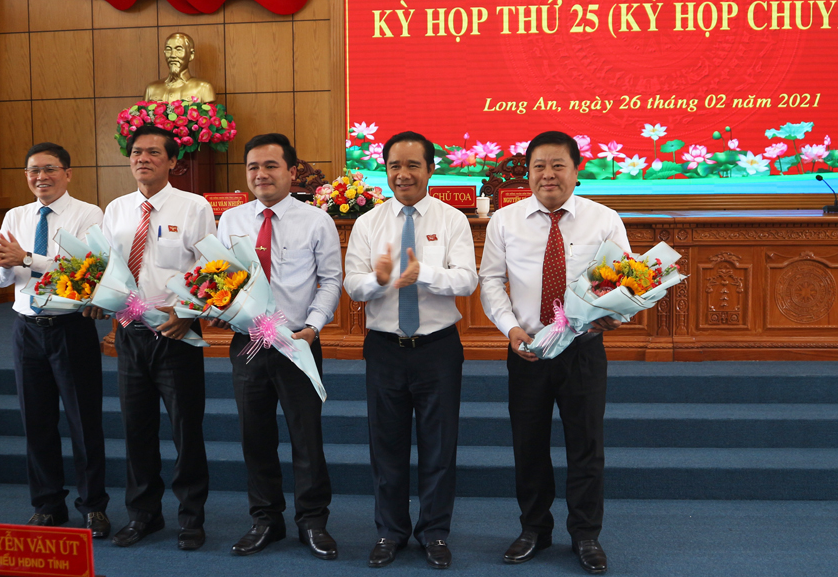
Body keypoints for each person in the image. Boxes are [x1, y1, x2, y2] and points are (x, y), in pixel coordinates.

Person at [479, 131, 627, 575]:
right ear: (528, 173)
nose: (548, 174)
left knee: (586, 447)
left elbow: (625, 281)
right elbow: (490, 281)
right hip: (529, 351)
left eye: (558, 165)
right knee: (529, 446)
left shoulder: (604, 219)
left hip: (583, 350)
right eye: (539, 166)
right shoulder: (505, 221)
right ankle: (534, 530)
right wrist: (510, 329)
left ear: (576, 170)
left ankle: (585, 535)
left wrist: (614, 316)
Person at [344, 131, 478, 569]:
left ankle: (435, 533)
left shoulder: (451, 219)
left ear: (430, 169)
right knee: (387, 446)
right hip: (384, 347)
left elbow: (466, 280)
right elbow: (352, 284)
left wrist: (423, 274)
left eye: (412, 165)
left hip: (437, 347)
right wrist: (380, 280)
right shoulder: (368, 222)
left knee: (440, 446)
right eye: (394, 166)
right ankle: (390, 532)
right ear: (385, 171)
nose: (403, 174)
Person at [213, 133, 343, 559]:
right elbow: (221, 278)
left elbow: (330, 280)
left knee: (307, 438)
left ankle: (312, 522)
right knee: (256, 437)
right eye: (253, 167)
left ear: (291, 171)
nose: (261, 174)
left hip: (297, 344)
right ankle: (265, 520)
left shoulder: (315, 220)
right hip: (248, 343)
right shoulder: (231, 221)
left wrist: (315, 326)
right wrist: (218, 305)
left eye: (270, 166)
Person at [90, 125, 216, 549]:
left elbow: (211, 269)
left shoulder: (194, 206)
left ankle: (191, 517)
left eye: (153, 153)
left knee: (185, 429)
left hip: (176, 330)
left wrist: (186, 314)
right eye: (136, 152)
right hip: (130, 332)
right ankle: (144, 514)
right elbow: (108, 267)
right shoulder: (117, 209)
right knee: (136, 429)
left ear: (173, 161)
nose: (142, 159)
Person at [0, 142, 111, 538]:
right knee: (36, 421)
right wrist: (7, 266)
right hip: (26, 329)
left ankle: (93, 506)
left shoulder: (89, 214)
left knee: (83, 420)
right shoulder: (15, 215)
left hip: (70, 328)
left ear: (68, 173)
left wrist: (26, 259)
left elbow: (82, 274)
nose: (40, 177)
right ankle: (47, 505)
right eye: (32, 171)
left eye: (49, 169)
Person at [143, 32, 216, 103]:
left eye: (178, 50)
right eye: (168, 49)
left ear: (191, 55)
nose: (172, 55)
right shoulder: (151, 89)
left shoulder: (203, 88)